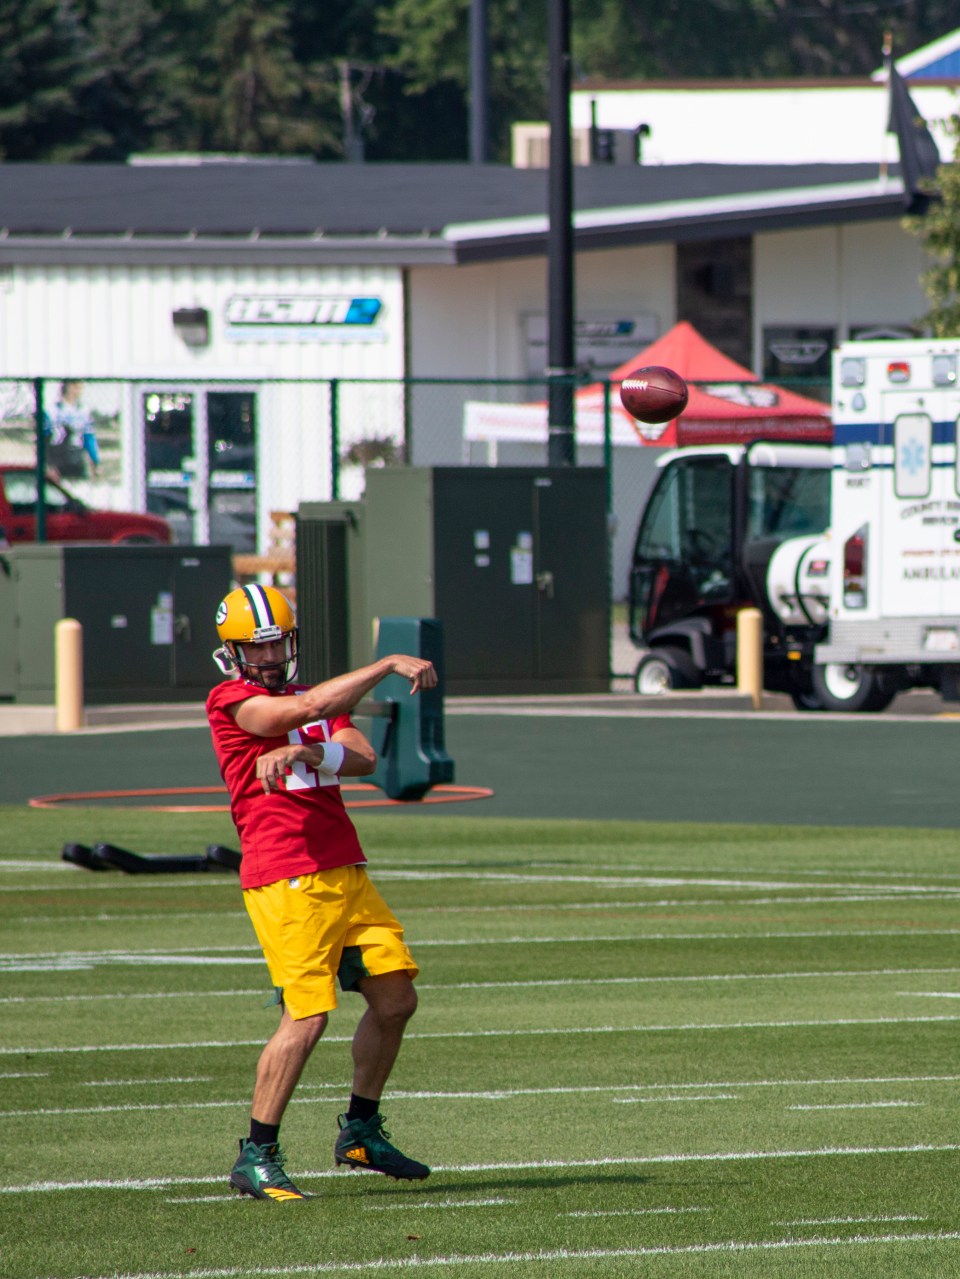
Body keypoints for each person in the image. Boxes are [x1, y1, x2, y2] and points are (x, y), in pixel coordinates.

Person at [206, 583, 437, 1202]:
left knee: (396, 999)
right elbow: (295, 708)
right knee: (306, 1017)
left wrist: (308, 750)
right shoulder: (231, 697)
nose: (271, 656)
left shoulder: (306, 702)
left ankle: (359, 1131)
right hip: (286, 877)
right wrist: (386, 663)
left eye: (279, 643)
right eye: (258, 649)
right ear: (232, 654)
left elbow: (361, 756)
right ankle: (256, 1153)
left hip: (344, 869)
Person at [46, 380, 100, 480]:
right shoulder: (51, 411)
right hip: (58, 457)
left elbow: (89, 437)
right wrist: (49, 464)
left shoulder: (84, 411)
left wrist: (95, 461)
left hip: (76, 457)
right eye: (76, 386)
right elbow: (44, 440)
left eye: (80, 387)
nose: (79, 391)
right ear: (68, 387)